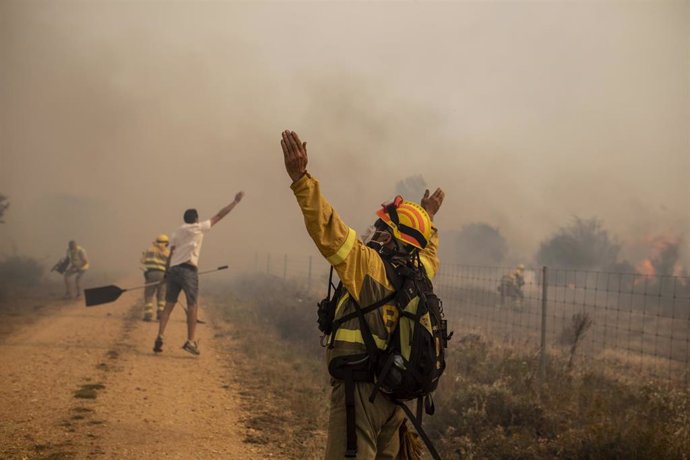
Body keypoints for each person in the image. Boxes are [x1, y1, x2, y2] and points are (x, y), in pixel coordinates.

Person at [280, 130, 445, 459]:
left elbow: (327, 228)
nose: (376, 230)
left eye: (383, 227)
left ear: (390, 237)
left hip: (360, 398)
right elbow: (428, 249)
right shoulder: (421, 272)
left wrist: (301, 179)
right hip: (394, 402)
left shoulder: (367, 266)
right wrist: (427, 218)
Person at [153, 192, 244, 355]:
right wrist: (235, 202)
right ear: (195, 219)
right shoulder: (199, 228)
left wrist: (166, 274)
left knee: (168, 305)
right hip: (188, 270)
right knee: (192, 305)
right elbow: (220, 215)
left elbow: (171, 253)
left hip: (173, 270)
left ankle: (160, 336)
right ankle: (190, 341)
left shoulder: (176, 232)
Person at [140, 234, 171, 322]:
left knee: (149, 294)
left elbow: (142, 261)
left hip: (151, 274)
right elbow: (170, 264)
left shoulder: (149, 250)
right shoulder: (167, 252)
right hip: (163, 275)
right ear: (166, 243)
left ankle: (148, 315)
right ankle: (160, 314)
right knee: (162, 295)